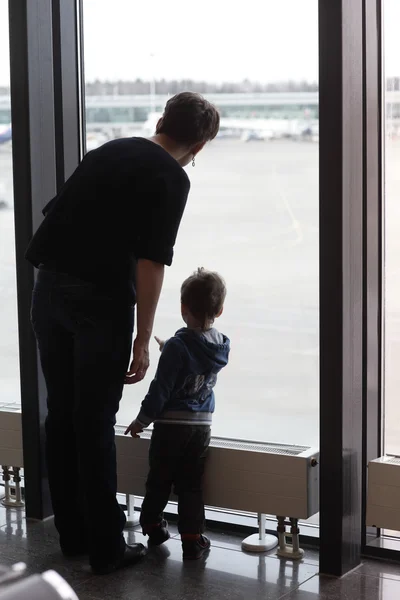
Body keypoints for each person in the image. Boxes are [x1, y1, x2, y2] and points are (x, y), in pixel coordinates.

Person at [25, 93, 220, 575]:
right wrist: (143, 336)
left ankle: (72, 534)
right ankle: (106, 550)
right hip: (99, 303)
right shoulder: (171, 177)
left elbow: (59, 217)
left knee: (61, 417)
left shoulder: (107, 150)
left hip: (48, 290)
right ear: (198, 145)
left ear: (160, 121)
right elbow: (151, 262)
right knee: (94, 424)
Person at [125, 268, 230, 560]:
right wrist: (169, 349)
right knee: (191, 483)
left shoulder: (178, 346)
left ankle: (152, 524)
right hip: (201, 426)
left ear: (183, 309)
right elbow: (195, 360)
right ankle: (193, 539)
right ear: (219, 310)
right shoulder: (221, 346)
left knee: (159, 477)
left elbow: (161, 389)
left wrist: (142, 420)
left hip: (171, 426)